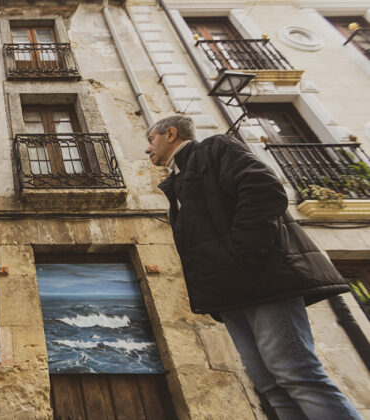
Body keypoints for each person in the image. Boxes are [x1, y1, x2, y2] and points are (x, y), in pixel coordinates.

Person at [146, 115, 362, 420]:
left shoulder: (215, 148)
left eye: (150, 139)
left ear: (170, 134)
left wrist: (245, 255)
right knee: (270, 386)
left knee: (296, 374)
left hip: (262, 281)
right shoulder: (178, 180)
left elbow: (264, 189)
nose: (147, 149)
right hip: (231, 295)